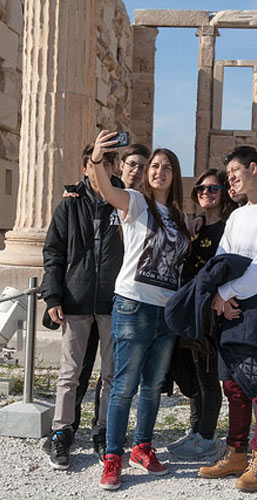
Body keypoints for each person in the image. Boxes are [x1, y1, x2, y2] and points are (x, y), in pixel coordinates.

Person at [85, 130, 191, 491]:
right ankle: (113, 454)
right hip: (133, 304)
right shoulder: (136, 202)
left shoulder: (181, 218)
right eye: (154, 166)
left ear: (175, 175)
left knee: (153, 387)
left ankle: (142, 447)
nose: (159, 170)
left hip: (166, 310)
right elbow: (106, 190)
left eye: (166, 167)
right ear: (147, 173)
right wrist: (98, 159)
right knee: (124, 386)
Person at [198, 145, 257, 493]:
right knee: (233, 386)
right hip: (233, 309)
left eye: (235, 171)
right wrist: (221, 297)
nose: (231, 179)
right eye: (228, 174)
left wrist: (225, 295)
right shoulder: (236, 217)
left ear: (254, 168)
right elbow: (223, 260)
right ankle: (236, 452)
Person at [40, 143, 124, 470]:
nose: (101, 168)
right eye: (96, 163)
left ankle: (103, 430)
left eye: (107, 163)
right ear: (85, 168)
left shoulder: (124, 202)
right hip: (75, 299)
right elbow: (54, 253)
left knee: (111, 374)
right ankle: (61, 433)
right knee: (70, 372)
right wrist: (52, 297)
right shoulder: (68, 206)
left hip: (112, 301)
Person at [69, 143, 150, 456]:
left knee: (115, 373)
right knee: (78, 369)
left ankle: (106, 431)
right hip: (88, 294)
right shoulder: (98, 197)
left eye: (142, 166)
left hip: (122, 297)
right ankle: (68, 428)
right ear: (120, 166)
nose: (135, 170)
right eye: (131, 164)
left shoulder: (142, 203)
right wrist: (75, 190)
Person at [167, 168, 236, 460]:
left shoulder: (230, 228)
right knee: (193, 376)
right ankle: (196, 431)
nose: (205, 193)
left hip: (210, 312)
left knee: (208, 377)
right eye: (200, 189)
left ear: (223, 192)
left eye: (212, 188)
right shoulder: (194, 228)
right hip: (188, 309)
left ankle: (207, 437)